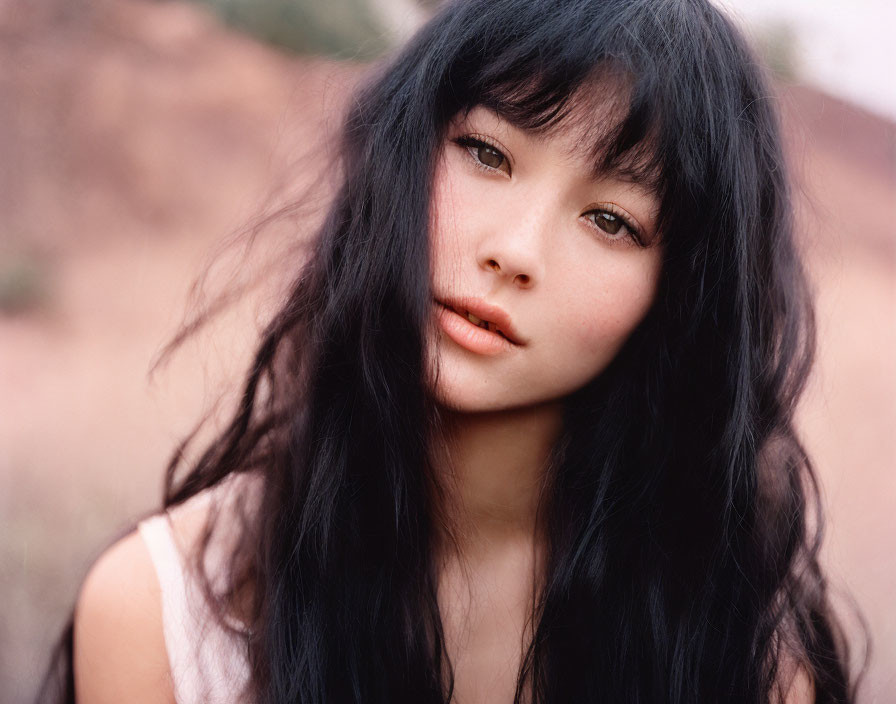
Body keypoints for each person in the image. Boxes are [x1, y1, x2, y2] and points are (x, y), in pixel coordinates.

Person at [38, 0, 859, 702]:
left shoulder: (744, 663)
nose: (516, 251)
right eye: (487, 153)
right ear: (402, 153)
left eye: (611, 219)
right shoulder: (161, 615)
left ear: (679, 297)